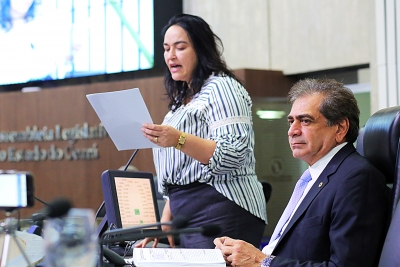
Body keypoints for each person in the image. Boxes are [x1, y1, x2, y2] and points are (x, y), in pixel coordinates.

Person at [214, 78, 390, 267]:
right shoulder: (313, 178)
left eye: (305, 121)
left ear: (340, 128)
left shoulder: (357, 178)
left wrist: (261, 262)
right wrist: (239, 253)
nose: (292, 131)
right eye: (291, 121)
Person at [138, 13, 267, 249]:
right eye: (166, 49)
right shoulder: (182, 99)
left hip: (222, 206)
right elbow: (184, 169)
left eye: (180, 47)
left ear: (201, 49)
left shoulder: (222, 87)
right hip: (186, 211)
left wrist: (177, 139)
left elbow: (233, 153)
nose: (171, 56)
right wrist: (167, 216)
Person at [0, 0, 71, 85]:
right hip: (9, 91)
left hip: (43, 87)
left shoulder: (41, 23)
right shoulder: (3, 31)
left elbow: (54, 62)